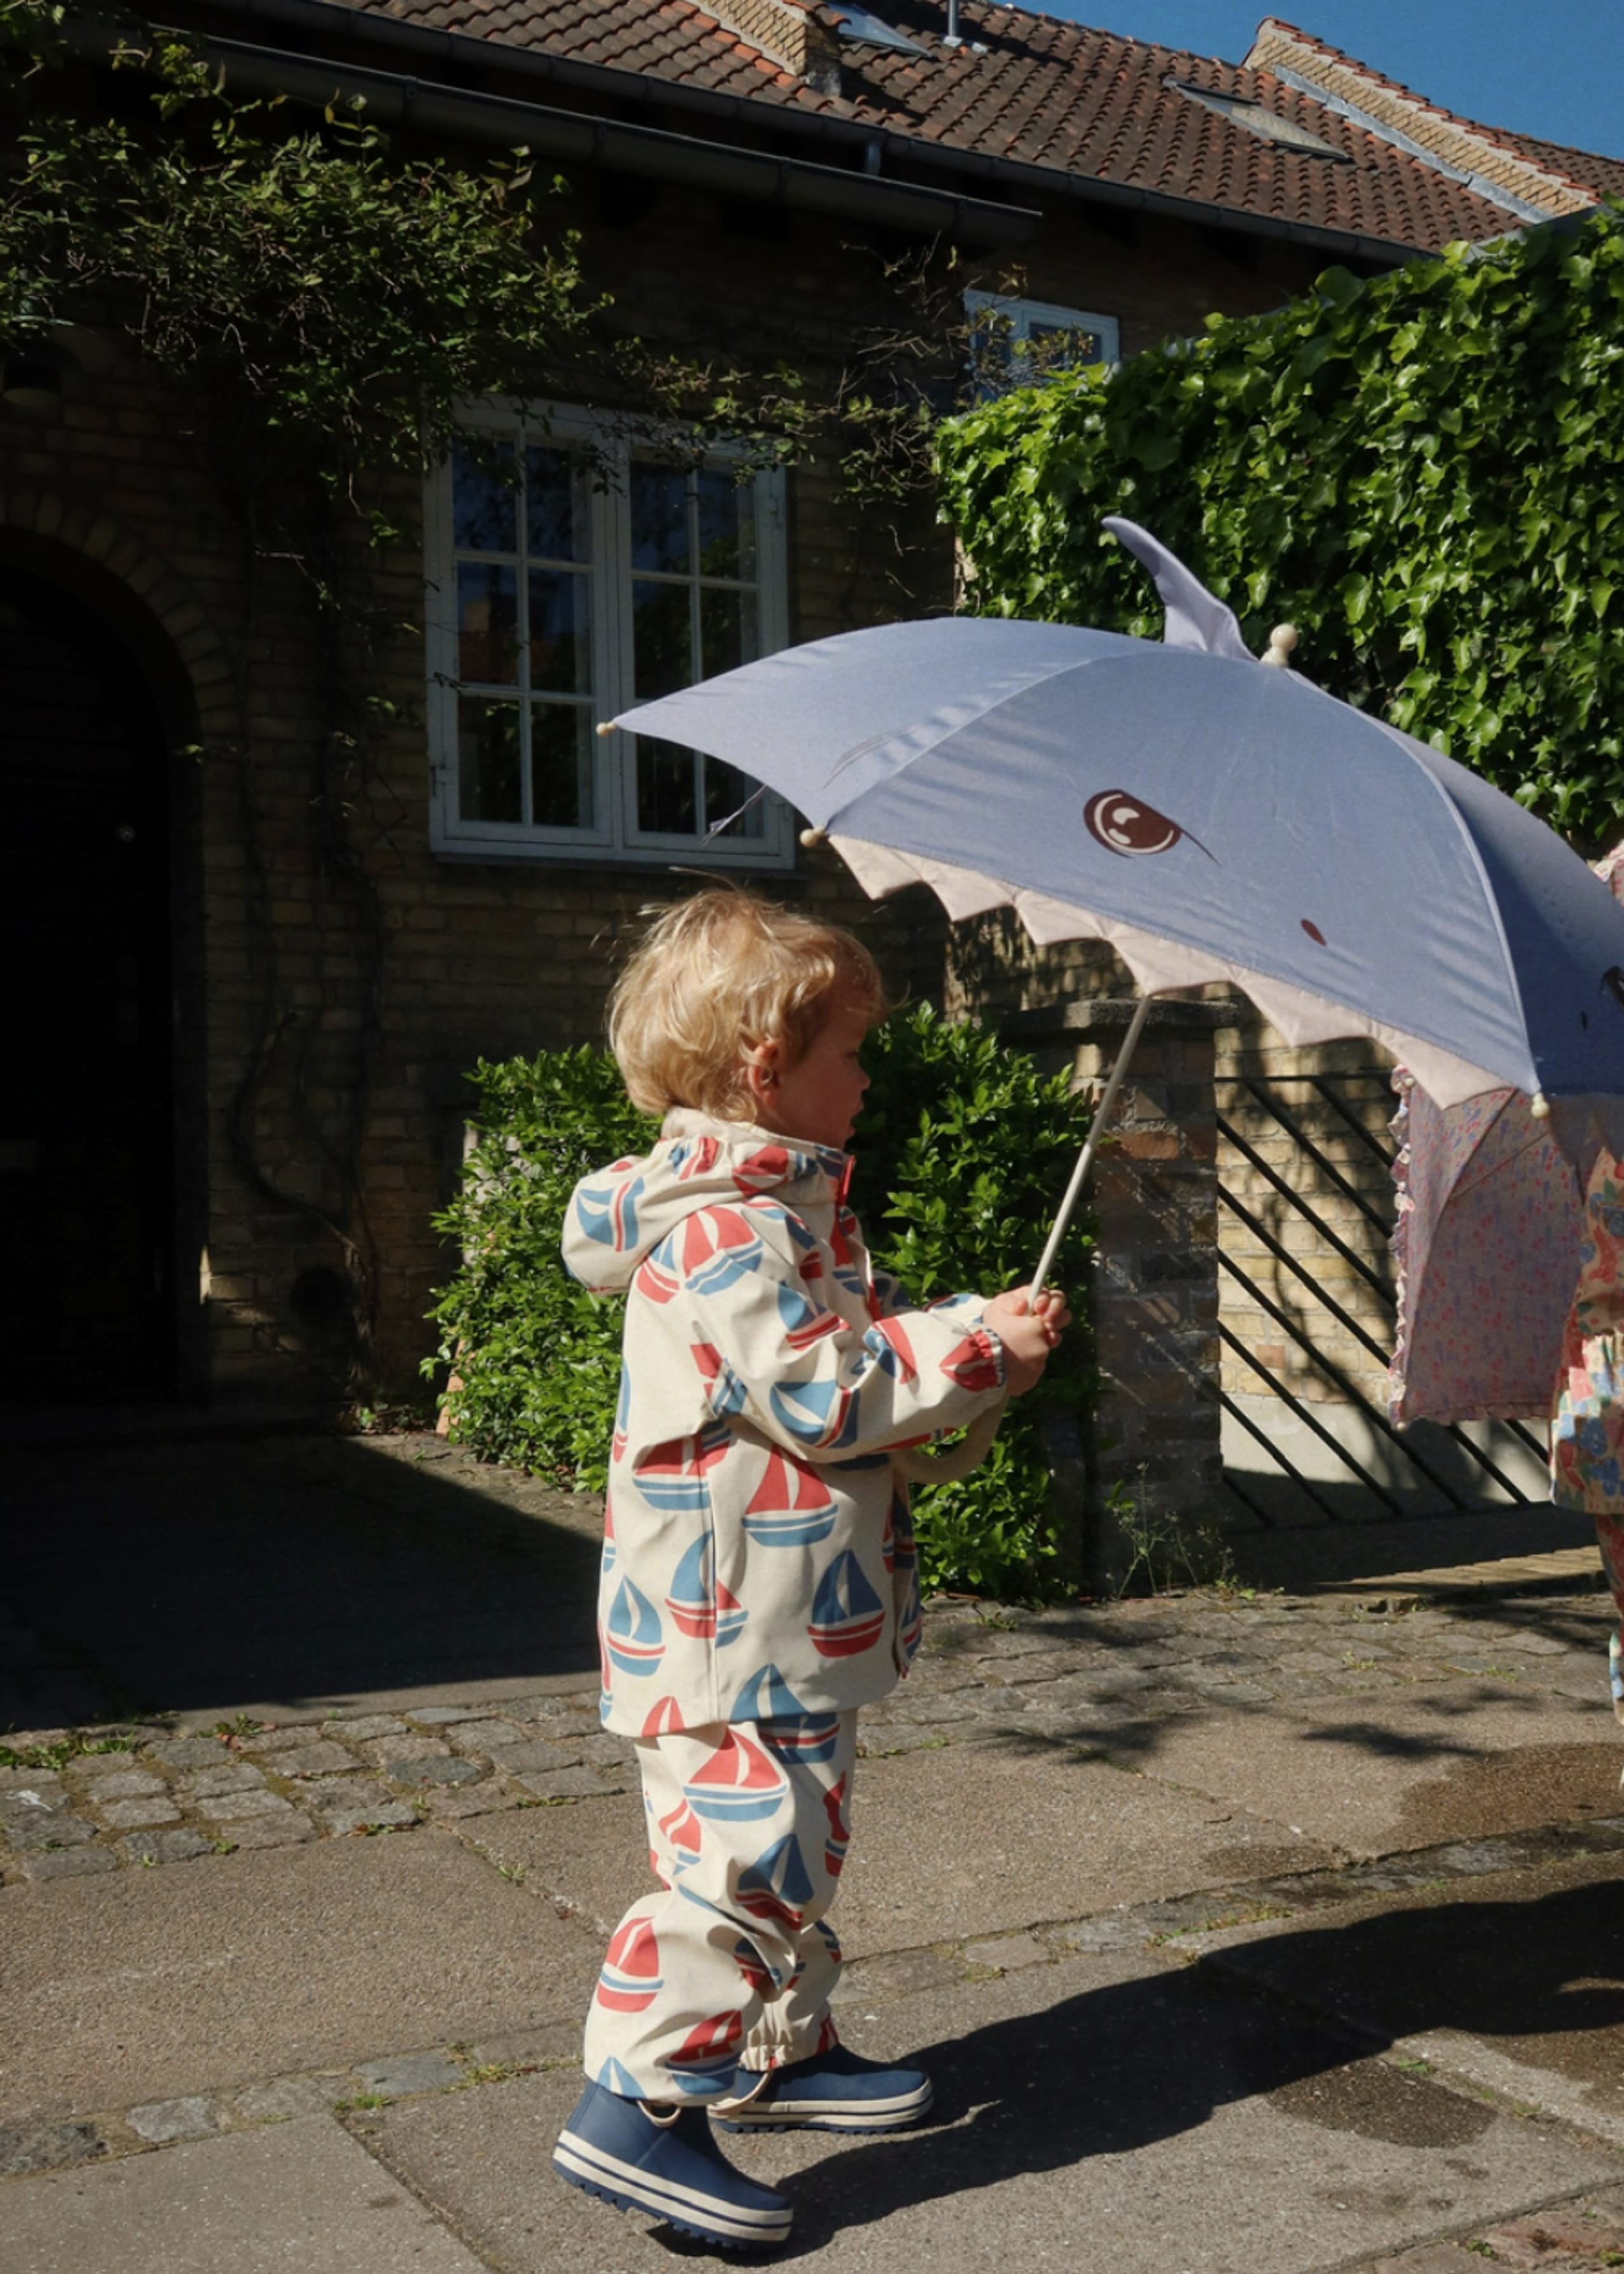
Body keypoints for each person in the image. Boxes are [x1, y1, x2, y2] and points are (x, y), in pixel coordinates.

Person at [551, 886, 1069, 2250]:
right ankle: (638, 2105)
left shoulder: (783, 1211)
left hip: (772, 1609)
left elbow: (853, 1392)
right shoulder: (731, 1229)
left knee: (799, 1835)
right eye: (848, 1049)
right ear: (763, 1067)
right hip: (732, 1620)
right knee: (745, 1853)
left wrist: (967, 1348)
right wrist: (969, 1352)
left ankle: (778, 2045)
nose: (865, 1076)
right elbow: (825, 1394)